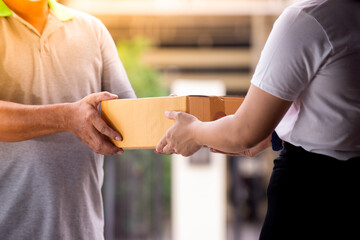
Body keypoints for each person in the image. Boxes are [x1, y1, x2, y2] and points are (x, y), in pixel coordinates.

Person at [156, 0, 360, 239]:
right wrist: (275, 135)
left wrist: (194, 132)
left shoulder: (308, 19)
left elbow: (244, 131)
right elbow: (340, 115)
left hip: (311, 199)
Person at [0, 0, 135, 239]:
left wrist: (171, 114)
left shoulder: (93, 30)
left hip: (82, 232)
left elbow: (130, 115)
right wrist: (66, 118)